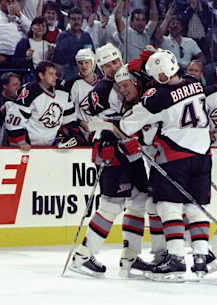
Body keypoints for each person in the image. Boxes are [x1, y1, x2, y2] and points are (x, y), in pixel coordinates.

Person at [118, 49, 212, 281]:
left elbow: (128, 125)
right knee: (195, 206)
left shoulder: (158, 96)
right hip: (203, 154)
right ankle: (201, 257)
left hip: (176, 155)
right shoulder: (195, 82)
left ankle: (177, 258)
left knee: (167, 206)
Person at [69, 43, 151, 277]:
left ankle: (130, 257)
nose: (114, 67)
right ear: (100, 66)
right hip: (111, 150)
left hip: (131, 151)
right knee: (112, 204)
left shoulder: (129, 77)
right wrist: (104, 142)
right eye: (108, 64)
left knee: (139, 200)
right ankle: (83, 256)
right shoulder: (101, 91)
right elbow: (98, 123)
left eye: (116, 62)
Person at [3, 61, 79, 150]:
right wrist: (21, 142)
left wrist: (68, 136)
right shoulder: (30, 91)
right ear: (41, 75)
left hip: (50, 145)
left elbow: (69, 118)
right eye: (51, 74)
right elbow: (15, 117)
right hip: (28, 146)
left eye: (55, 74)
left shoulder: (63, 92)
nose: (55, 77)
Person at [154, 6, 204, 71]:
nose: (175, 26)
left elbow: (201, 56)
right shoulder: (164, 40)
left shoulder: (190, 41)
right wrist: (167, 18)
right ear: (168, 28)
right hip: (170, 72)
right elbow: (158, 35)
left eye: (178, 24)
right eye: (173, 23)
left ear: (181, 28)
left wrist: (193, 66)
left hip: (187, 73)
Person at [53, 7, 95, 81]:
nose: (76, 22)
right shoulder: (62, 36)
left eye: (79, 19)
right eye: (73, 19)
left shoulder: (86, 36)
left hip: (86, 75)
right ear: (69, 21)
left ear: (82, 21)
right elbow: (58, 60)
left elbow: (92, 56)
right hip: (69, 76)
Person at [0, 72, 22, 146]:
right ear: (4, 86)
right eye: (14, 85)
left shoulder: (22, 102)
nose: (18, 88)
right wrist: (0, 112)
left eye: (19, 85)